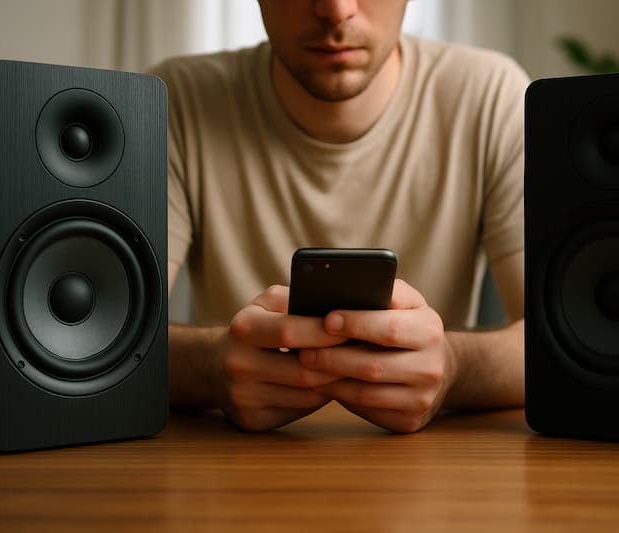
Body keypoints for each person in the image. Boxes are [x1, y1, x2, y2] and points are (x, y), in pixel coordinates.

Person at [151, 0, 528, 433]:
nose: (336, 10)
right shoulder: (173, 100)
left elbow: (553, 346)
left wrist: (456, 368)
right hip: (233, 471)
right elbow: (108, 343)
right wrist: (209, 367)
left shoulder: (492, 98)